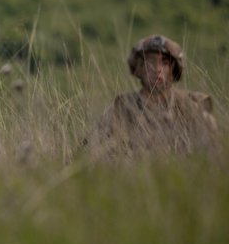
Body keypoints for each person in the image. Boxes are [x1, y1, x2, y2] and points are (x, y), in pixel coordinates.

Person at [88, 34, 219, 159]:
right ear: (139, 68)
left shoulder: (191, 108)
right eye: (150, 62)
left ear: (174, 70)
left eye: (165, 63)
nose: (157, 69)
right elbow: (90, 152)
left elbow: (214, 157)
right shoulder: (121, 108)